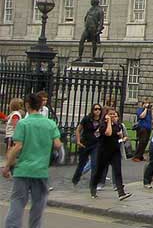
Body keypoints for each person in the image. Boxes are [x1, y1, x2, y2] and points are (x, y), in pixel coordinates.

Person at [2, 92, 62, 228]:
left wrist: (7, 166)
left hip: (23, 169)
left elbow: (17, 147)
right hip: (40, 171)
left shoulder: (23, 123)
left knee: (17, 202)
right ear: (41, 105)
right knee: (38, 204)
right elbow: (58, 145)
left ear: (27, 105)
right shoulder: (50, 124)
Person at [90, 106, 131, 200]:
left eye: (114, 114)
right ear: (106, 115)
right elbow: (108, 133)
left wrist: (121, 137)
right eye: (110, 114)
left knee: (117, 172)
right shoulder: (102, 125)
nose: (112, 116)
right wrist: (108, 122)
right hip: (104, 151)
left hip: (115, 151)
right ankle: (93, 189)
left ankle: (121, 193)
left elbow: (119, 136)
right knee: (99, 171)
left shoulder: (117, 125)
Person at [71, 104, 102, 187]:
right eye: (95, 109)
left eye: (99, 109)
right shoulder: (87, 119)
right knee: (82, 164)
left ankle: (93, 185)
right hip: (85, 144)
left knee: (94, 164)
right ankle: (75, 179)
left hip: (95, 145)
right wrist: (78, 141)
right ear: (92, 110)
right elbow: (78, 130)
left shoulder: (101, 120)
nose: (97, 111)